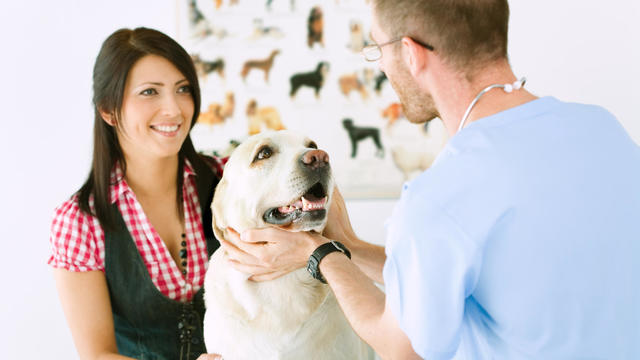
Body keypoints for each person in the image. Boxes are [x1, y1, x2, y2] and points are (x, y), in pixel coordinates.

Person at [219, 1, 640, 359]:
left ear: (411, 53)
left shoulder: (441, 194)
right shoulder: (602, 129)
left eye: (377, 49)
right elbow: (459, 276)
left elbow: (403, 346)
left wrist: (318, 251)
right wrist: (350, 246)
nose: (381, 63)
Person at [48, 27, 223, 360]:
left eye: (182, 89)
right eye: (149, 92)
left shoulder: (228, 180)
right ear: (108, 110)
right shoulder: (81, 221)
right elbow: (97, 355)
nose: (174, 109)